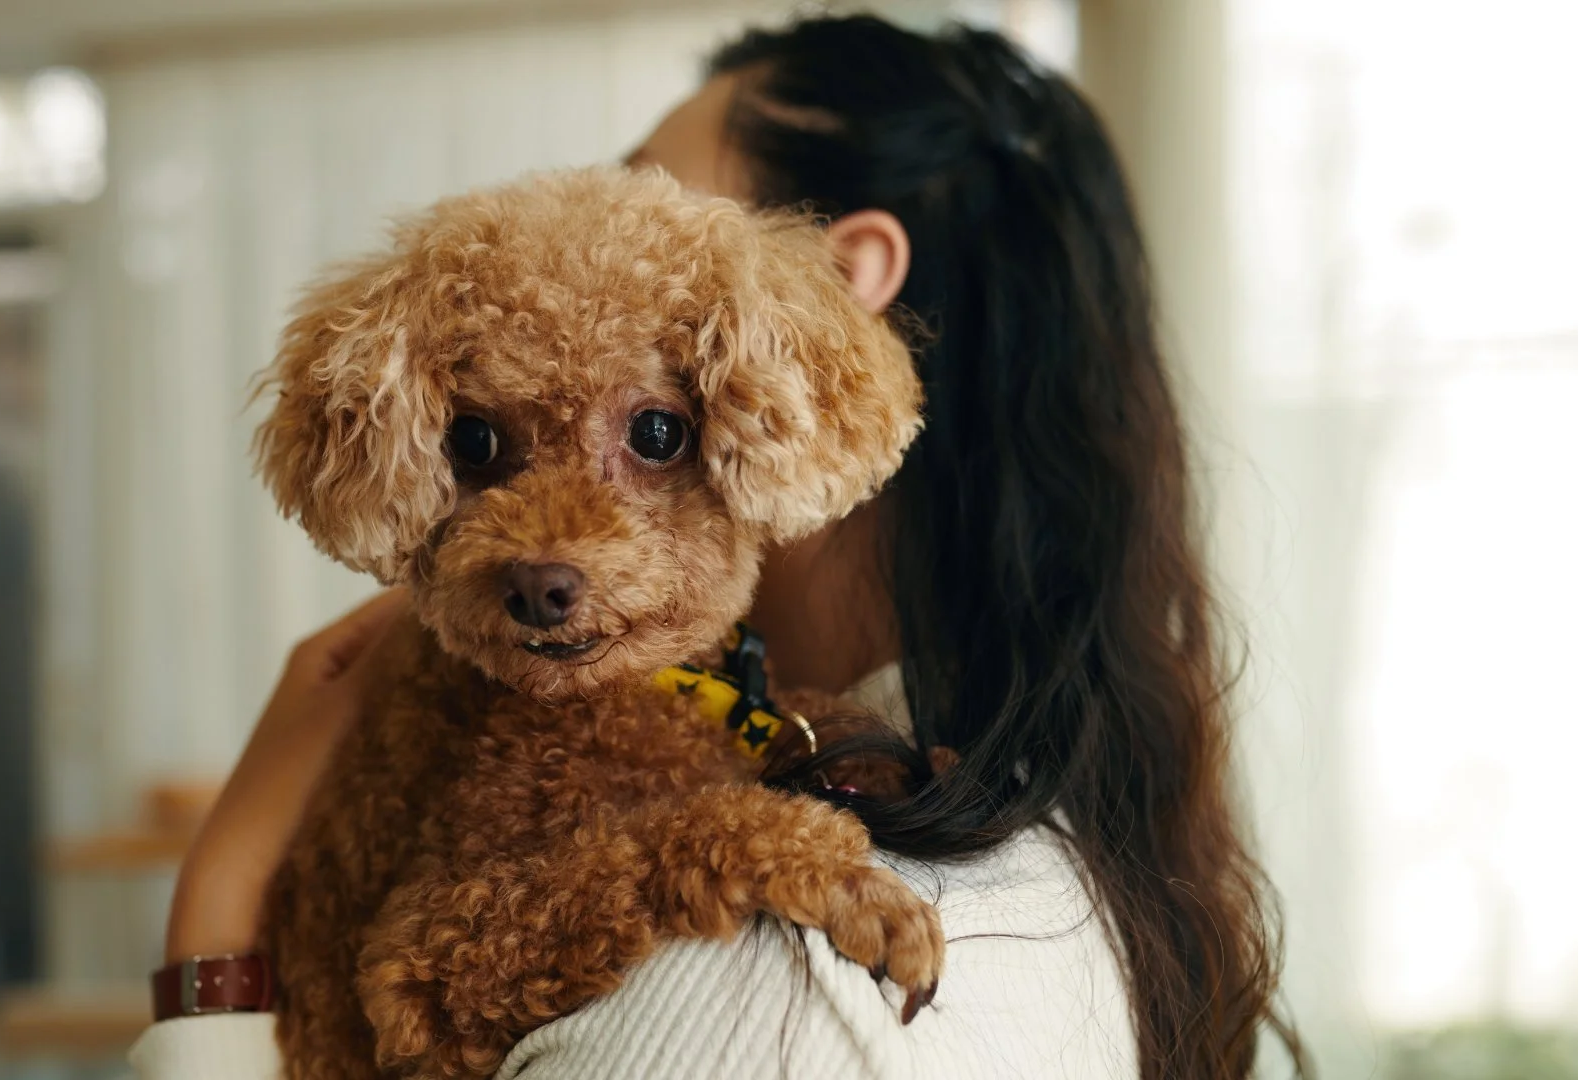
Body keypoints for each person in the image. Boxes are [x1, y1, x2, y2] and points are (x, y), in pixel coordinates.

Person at [134, 15, 1299, 1080]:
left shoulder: (780, 996)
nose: (545, 556)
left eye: (652, 434)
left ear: (844, 284)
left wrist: (213, 927)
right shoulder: (1008, 821)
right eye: (483, 446)